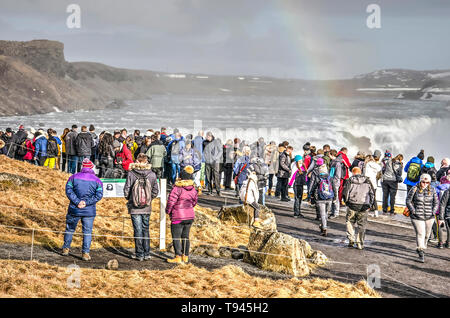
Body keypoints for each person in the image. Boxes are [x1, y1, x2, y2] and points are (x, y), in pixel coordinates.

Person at [62, 158, 104, 261]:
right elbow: (99, 195)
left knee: (70, 229)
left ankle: (65, 249)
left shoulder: (73, 177)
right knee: (87, 232)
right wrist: (86, 202)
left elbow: (68, 190)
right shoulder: (97, 180)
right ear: (91, 167)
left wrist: (77, 201)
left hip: (74, 209)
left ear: (82, 167)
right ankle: (85, 253)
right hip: (89, 210)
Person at [123, 153, 159, 261]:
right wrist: (148, 199)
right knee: (145, 229)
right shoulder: (152, 174)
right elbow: (156, 191)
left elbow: (126, 190)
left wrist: (131, 199)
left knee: (137, 230)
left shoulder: (131, 174)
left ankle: (139, 254)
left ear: (137, 161)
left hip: (134, 207)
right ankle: (147, 253)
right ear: (147, 162)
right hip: (146, 207)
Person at [166, 166, 198, 264]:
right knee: (185, 236)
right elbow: (194, 202)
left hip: (178, 216)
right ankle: (185, 256)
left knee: (176, 237)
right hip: (190, 216)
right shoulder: (193, 189)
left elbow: (171, 202)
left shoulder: (177, 188)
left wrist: (168, 211)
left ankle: (178, 256)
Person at [406, 173, 439, 263]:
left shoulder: (433, 190)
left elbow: (436, 202)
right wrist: (413, 210)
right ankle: (421, 252)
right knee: (420, 234)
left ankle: (422, 247)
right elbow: (408, 200)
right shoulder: (414, 188)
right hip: (417, 216)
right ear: (420, 181)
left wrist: (433, 211)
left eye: (427, 182)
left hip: (429, 216)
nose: (425, 184)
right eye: (423, 182)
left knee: (427, 235)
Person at [342, 167, 376, 250]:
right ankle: (360, 243)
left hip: (352, 204)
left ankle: (351, 239)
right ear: (360, 172)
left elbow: (345, 193)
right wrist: (370, 204)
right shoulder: (367, 181)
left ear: (353, 173)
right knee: (362, 225)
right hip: (364, 206)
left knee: (349, 222)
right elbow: (372, 194)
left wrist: (347, 202)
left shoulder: (350, 180)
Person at [310, 166, 334, 236]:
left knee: (323, 214)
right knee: (326, 213)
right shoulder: (330, 178)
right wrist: (335, 197)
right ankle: (323, 225)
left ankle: (324, 228)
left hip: (320, 198)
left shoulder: (318, 178)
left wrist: (311, 194)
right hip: (329, 198)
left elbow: (314, 187)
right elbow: (334, 188)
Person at [203, 132, 223, 196]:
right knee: (208, 176)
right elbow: (203, 151)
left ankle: (218, 191)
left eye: (208, 136)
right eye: (206, 136)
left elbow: (221, 151)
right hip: (208, 161)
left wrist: (216, 157)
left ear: (211, 136)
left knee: (216, 176)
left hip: (215, 161)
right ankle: (210, 190)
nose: (207, 138)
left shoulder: (216, 142)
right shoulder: (204, 142)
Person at [439, 182, 450, 248]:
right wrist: (441, 217)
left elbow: (442, 204)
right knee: (447, 228)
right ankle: (447, 243)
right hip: (448, 214)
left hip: (448, 213)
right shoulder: (447, 192)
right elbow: (443, 205)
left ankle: (444, 243)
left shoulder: (447, 192)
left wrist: (441, 217)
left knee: (445, 228)